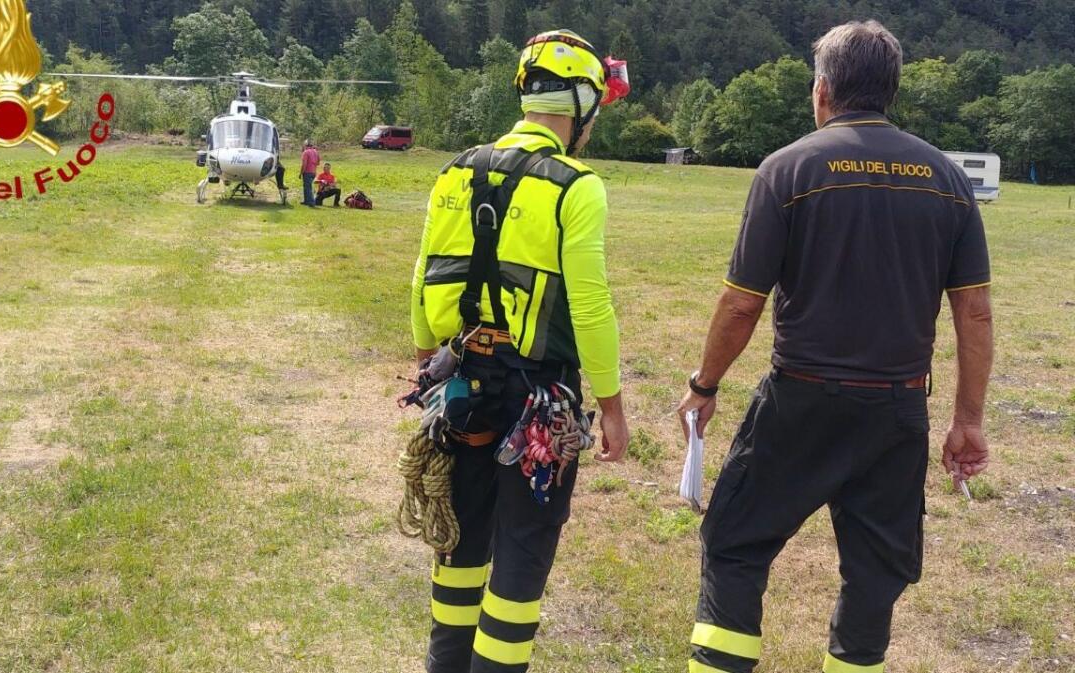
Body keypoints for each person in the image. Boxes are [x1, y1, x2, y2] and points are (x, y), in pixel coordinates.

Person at [675, 20, 993, 673]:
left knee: (735, 544)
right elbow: (975, 311)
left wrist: (704, 385)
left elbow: (741, 303)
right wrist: (967, 418)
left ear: (823, 90)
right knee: (876, 573)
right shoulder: (947, 179)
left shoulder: (788, 168)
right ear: (891, 90)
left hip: (801, 400)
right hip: (897, 409)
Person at [409, 29, 632, 673]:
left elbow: (422, 276)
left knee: (460, 546)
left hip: (461, 383)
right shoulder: (576, 185)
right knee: (522, 557)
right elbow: (590, 305)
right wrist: (611, 406)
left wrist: (426, 364)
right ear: (581, 107)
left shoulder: (457, 169)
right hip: (540, 399)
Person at [300, 139, 320, 206]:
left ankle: (311, 202)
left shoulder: (305, 152)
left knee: (308, 188)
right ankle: (306, 201)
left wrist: (301, 173)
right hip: (313, 172)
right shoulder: (316, 151)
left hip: (307, 172)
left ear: (305, 145)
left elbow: (304, 164)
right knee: (307, 187)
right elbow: (318, 163)